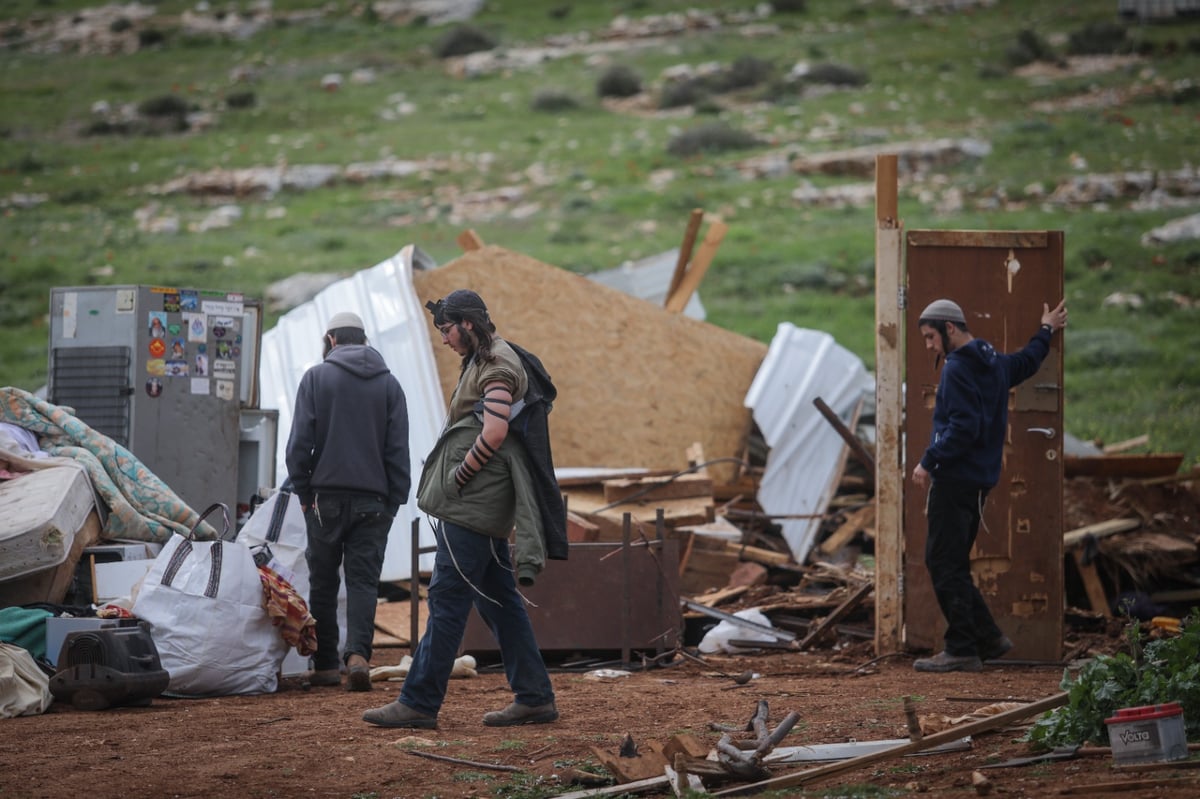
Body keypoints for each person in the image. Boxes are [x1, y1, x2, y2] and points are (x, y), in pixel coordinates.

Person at [363, 289, 559, 729]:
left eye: (448, 330)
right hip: (481, 508)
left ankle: (418, 702)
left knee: (448, 602)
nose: (445, 340)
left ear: (468, 324)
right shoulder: (488, 358)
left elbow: (492, 431)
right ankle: (534, 697)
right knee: (500, 603)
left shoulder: (497, 365)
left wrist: (460, 477)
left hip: (472, 507)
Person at [910, 297, 1068, 673]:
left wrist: (928, 460)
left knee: (942, 562)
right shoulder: (993, 362)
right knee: (952, 563)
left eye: (931, 337)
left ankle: (967, 645)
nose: (929, 346)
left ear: (950, 329)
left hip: (954, 480)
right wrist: (1046, 329)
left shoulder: (957, 370)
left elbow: (964, 427)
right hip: (978, 481)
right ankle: (982, 640)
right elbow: (1028, 361)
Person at [285, 311, 410, 692]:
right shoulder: (390, 385)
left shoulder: (316, 378)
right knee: (363, 582)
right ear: (364, 339)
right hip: (373, 502)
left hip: (325, 501)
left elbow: (298, 446)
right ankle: (357, 656)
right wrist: (394, 502)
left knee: (323, 581)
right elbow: (397, 450)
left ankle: (324, 666)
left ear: (332, 339)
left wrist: (305, 494)